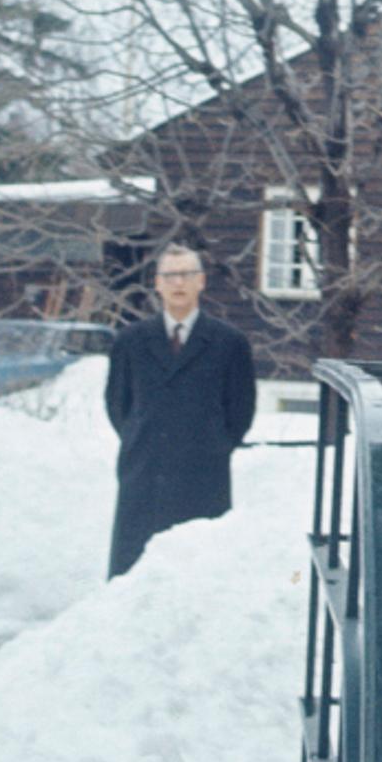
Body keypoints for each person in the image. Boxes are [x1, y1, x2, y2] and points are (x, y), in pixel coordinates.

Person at [104, 244, 257, 576]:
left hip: (202, 474)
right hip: (145, 471)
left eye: (187, 274)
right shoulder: (130, 341)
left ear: (201, 281)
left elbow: (241, 410)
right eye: (170, 275)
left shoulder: (229, 342)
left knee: (196, 574)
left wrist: (214, 444)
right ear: (157, 284)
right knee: (132, 576)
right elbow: (118, 404)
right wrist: (140, 437)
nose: (178, 283)